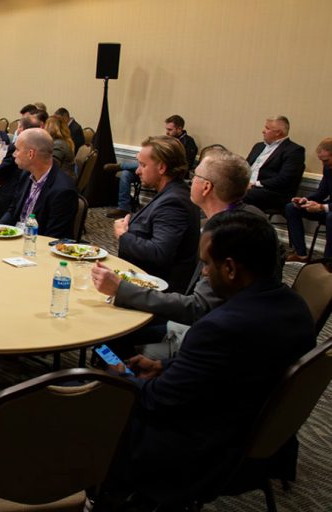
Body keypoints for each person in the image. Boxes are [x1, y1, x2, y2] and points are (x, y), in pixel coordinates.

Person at [97, 210, 315, 509]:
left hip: (206, 449)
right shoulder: (295, 307)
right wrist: (165, 366)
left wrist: (119, 377)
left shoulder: (220, 326)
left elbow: (157, 401)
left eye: (206, 264)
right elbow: (237, 367)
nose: (202, 272)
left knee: (92, 407)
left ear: (230, 268)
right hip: (257, 433)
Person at [91, 149, 260, 354]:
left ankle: (121, 380)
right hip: (231, 325)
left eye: (195, 176)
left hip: (217, 339)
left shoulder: (227, 234)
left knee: (110, 339)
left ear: (206, 187)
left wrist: (121, 289)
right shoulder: (248, 217)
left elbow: (197, 308)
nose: (189, 181)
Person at [114, 136, 201, 292]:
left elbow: (159, 252)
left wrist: (123, 235)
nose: (137, 171)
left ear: (161, 168)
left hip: (155, 290)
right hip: (145, 281)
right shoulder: (172, 192)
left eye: (143, 165)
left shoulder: (174, 202)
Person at [0, 128, 78, 239]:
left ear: (31, 154)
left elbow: (52, 238)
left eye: (17, 150)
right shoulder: (26, 175)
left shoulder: (62, 191)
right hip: (17, 237)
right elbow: (13, 210)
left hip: (36, 246)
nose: (14, 154)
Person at [243, 115, 306, 211]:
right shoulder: (258, 146)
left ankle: (237, 223)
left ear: (278, 132)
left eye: (267, 128)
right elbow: (244, 167)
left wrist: (254, 184)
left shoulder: (294, 150)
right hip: (248, 187)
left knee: (238, 195)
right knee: (219, 189)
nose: (263, 131)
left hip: (272, 192)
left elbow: (285, 179)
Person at [285, 138, 332, 262]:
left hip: (330, 211)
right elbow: (322, 192)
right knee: (292, 208)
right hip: (328, 208)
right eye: (322, 161)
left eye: (326, 160)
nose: (324, 165)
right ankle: (301, 254)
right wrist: (305, 199)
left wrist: (322, 207)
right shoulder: (328, 169)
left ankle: (328, 262)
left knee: (331, 217)